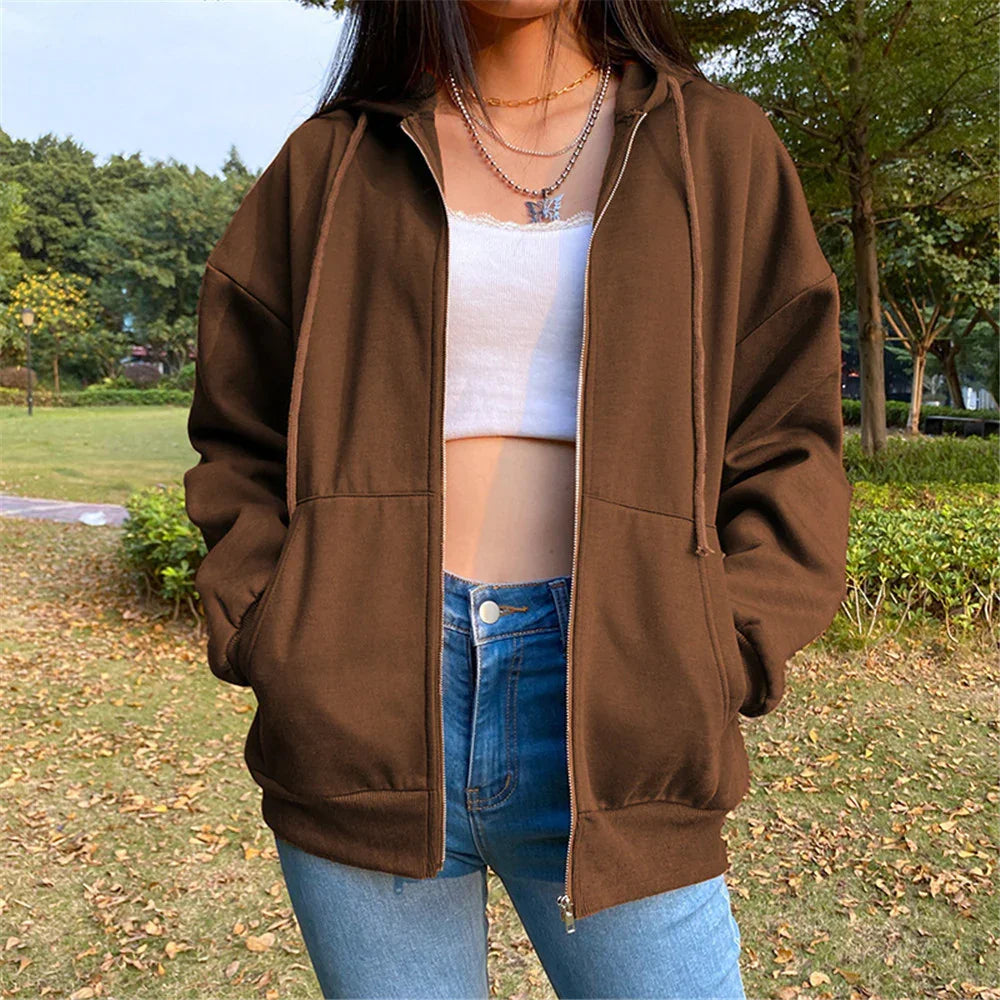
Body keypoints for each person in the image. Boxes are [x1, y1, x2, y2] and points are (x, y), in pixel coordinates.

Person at [183, 0, 852, 996]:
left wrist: (720, 643)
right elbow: (240, 426)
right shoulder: (332, 164)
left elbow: (788, 431)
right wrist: (278, 628)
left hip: (626, 707)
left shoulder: (717, 147)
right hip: (357, 706)